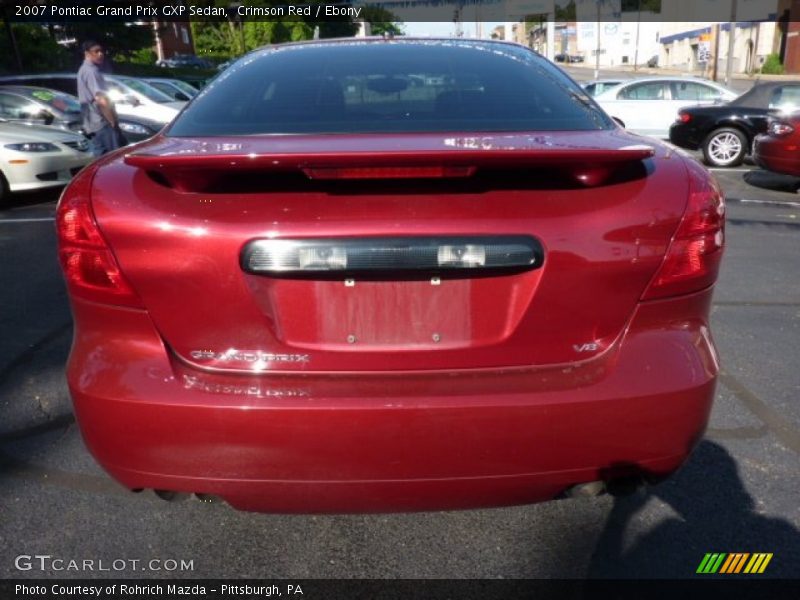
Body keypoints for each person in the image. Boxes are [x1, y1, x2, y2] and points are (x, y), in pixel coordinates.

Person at [77, 40, 124, 157]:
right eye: (96, 51)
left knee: (101, 159)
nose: (100, 54)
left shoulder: (83, 70)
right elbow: (101, 99)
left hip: (93, 124)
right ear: (87, 53)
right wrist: (112, 121)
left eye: (101, 51)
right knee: (114, 158)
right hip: (102, 122)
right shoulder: (91, 71)